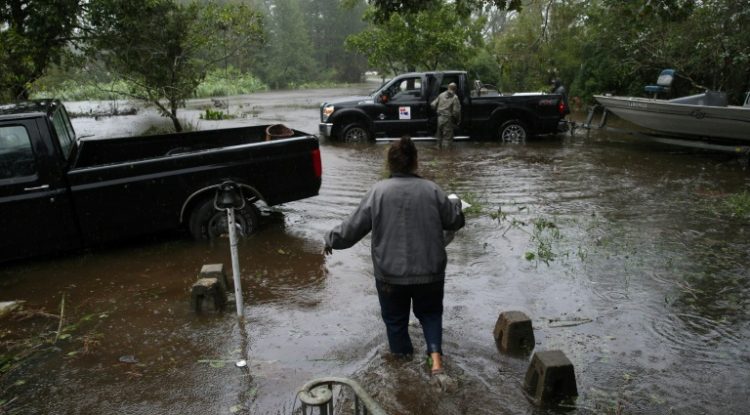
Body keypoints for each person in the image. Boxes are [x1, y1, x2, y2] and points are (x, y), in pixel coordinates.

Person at [323, 136, 465, 379]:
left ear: (389, 164)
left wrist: (331, 239)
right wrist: (458, 208)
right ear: (415, 162)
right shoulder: (432, 190)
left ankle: (403, 375)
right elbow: (454, 221)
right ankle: (436, 364)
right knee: (431, 315)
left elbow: (352, 229)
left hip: (390, 276)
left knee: (396, 323)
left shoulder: (377, 192)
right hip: (429, 273)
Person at [430, 82, 461, 149]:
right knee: (447, 139)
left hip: (440, 118)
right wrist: (457, 120)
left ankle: (439, 155)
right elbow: (456, 112)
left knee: (439, 137)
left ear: (448, 88)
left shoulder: (441, 95)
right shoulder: (455, 97)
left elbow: (432, 105)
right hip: (448, 119)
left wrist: (439, 110)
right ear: (455, 89)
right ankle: (446, 156)